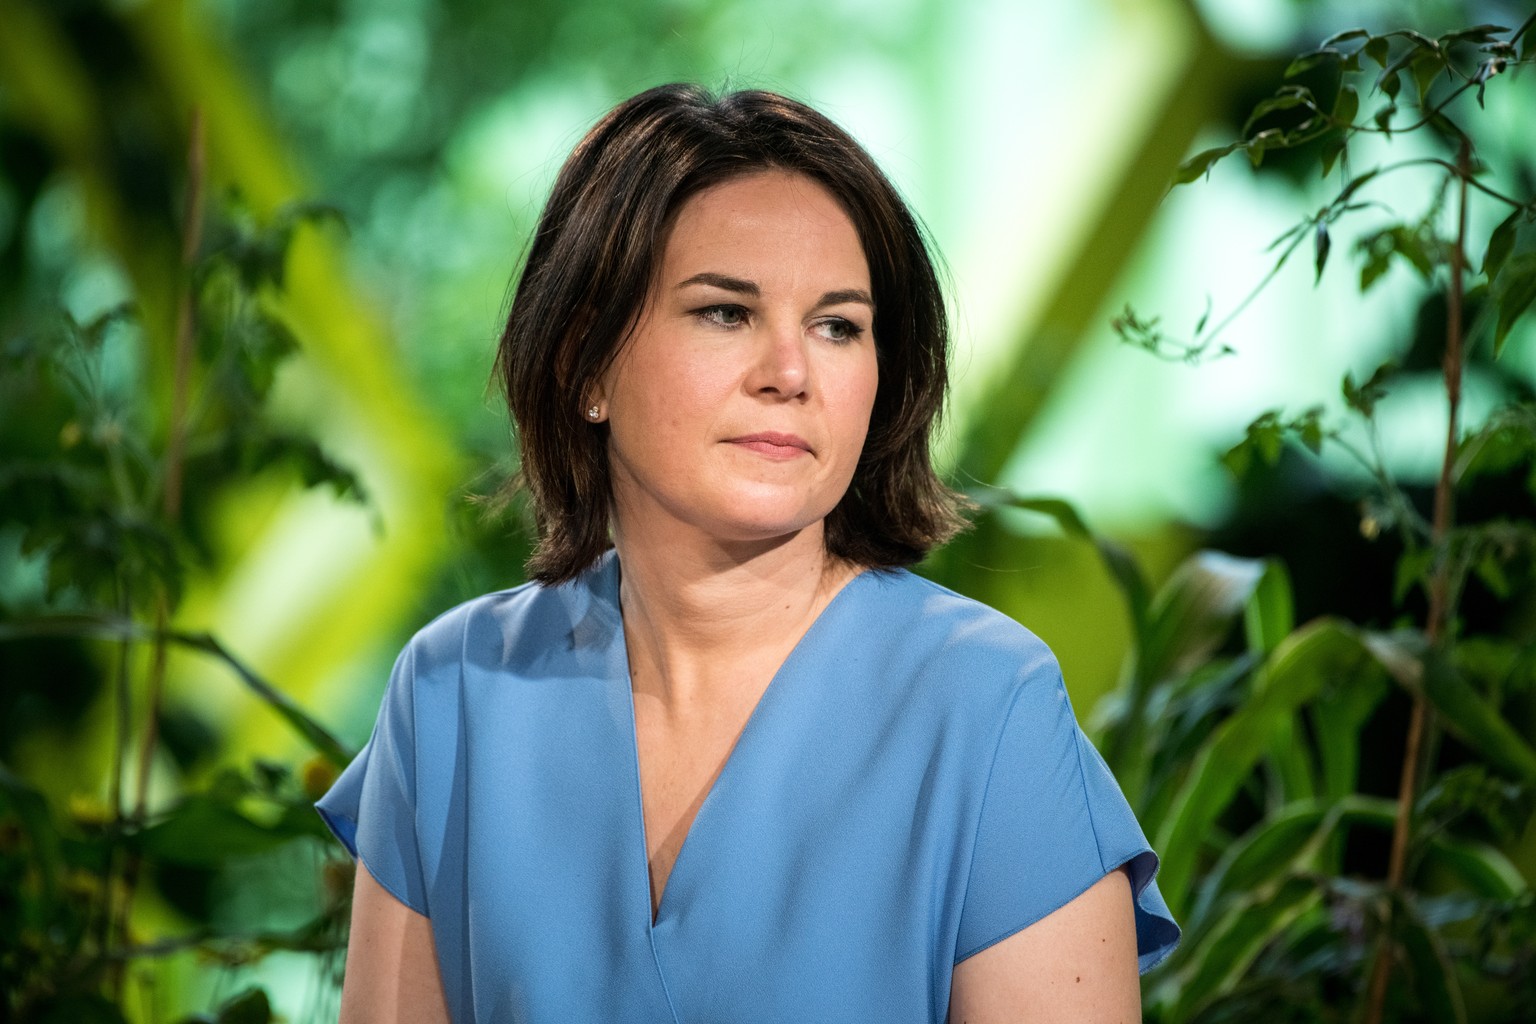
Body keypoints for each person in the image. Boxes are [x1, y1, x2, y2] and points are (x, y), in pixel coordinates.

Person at [317, 83, 1179, 1023]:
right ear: (584, 360)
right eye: (726, 312)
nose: (791, 373)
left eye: (838, 326)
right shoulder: (454, 692)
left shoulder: (985, 707)